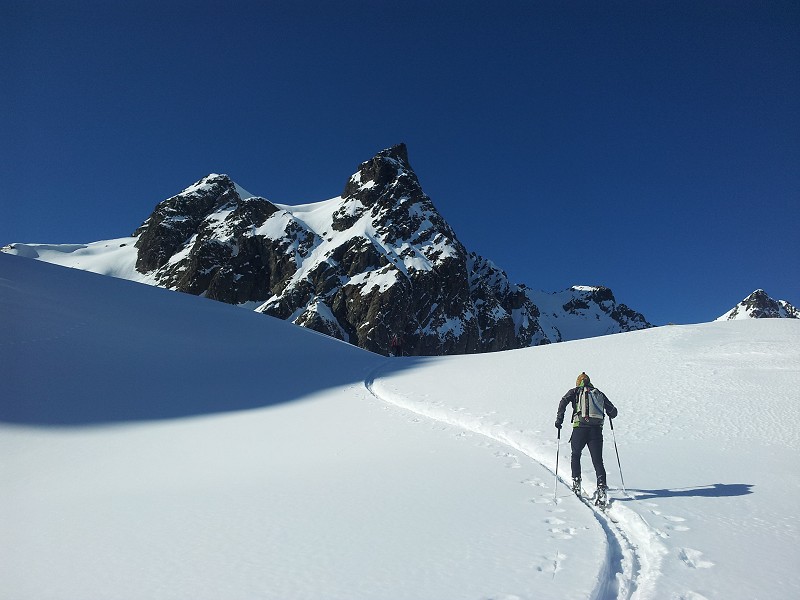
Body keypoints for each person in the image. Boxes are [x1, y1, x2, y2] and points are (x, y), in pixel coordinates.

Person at [555, 372, 618, 506]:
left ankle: (577, 484)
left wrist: (559, 419)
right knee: (598, 461)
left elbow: (563, 401)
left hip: (580, 429)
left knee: (576, 455)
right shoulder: (598, 393)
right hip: (596, 430)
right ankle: (601, 489)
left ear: (578, 382)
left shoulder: (575, 391)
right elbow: (613, 412)